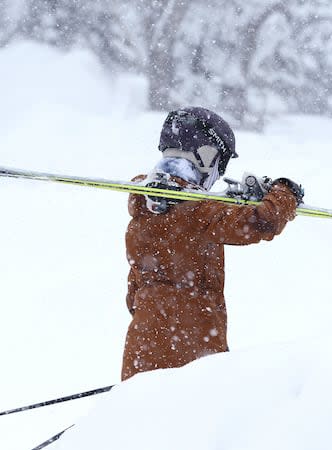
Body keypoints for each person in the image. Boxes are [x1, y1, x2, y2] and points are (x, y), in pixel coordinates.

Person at [121, 107, 303, 381]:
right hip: (192, 349)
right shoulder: (198, 210)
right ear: (205, 157)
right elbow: (260, 222)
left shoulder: (144, 207)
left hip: (142, 345)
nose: (216, 176)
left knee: (140, 421)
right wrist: (285, 194)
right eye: (219, 165)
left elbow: (133, 292)